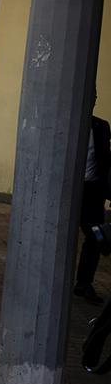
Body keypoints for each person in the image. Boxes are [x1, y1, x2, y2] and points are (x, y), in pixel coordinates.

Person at [74, 110, 111, 307]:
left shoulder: (101, 126)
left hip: (93, 190)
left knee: (94, 237)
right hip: (69, 188)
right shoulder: (66, 122)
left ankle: (84, 283)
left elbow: (106, 160)